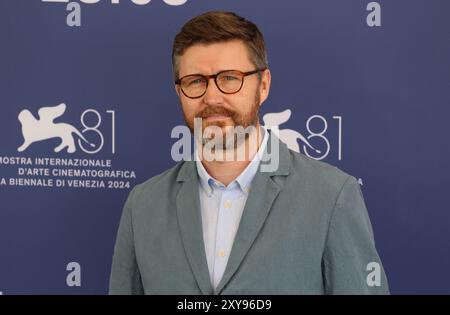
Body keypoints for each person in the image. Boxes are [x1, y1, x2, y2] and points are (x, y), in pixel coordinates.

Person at [109, 11, 389, 295]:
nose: (212, 98)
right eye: (196, 81)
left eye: (230, 78)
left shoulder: (332, 196)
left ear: (263, 85)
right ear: (179, 91)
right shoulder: (143, 206)